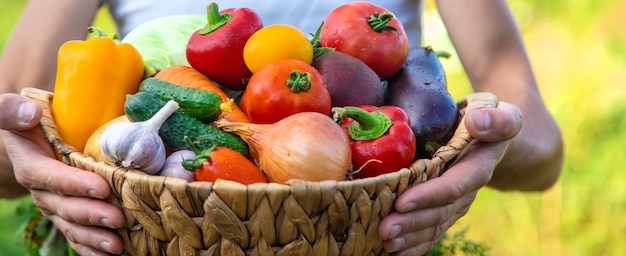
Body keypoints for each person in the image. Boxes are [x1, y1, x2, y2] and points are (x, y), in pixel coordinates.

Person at [0, 0, 563, 255]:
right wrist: (29, 162)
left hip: (368, 231)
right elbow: (12, 122)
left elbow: (544, 148)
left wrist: (484, 146)